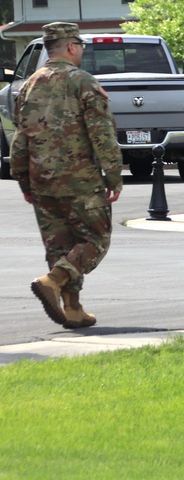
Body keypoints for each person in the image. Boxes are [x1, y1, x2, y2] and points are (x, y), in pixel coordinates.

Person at [11, 22, 123, 329]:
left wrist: (22, 178)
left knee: (59, 245)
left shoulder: (28, 85)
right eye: (81, 46)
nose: (82, 51)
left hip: (41, 181)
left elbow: (21, 138)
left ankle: (73, 308)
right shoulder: (82, 82)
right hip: (81, 181)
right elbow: (102, 134)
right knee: (95, 240)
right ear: (71, 47)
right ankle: (53, 280)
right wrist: (113, 175)